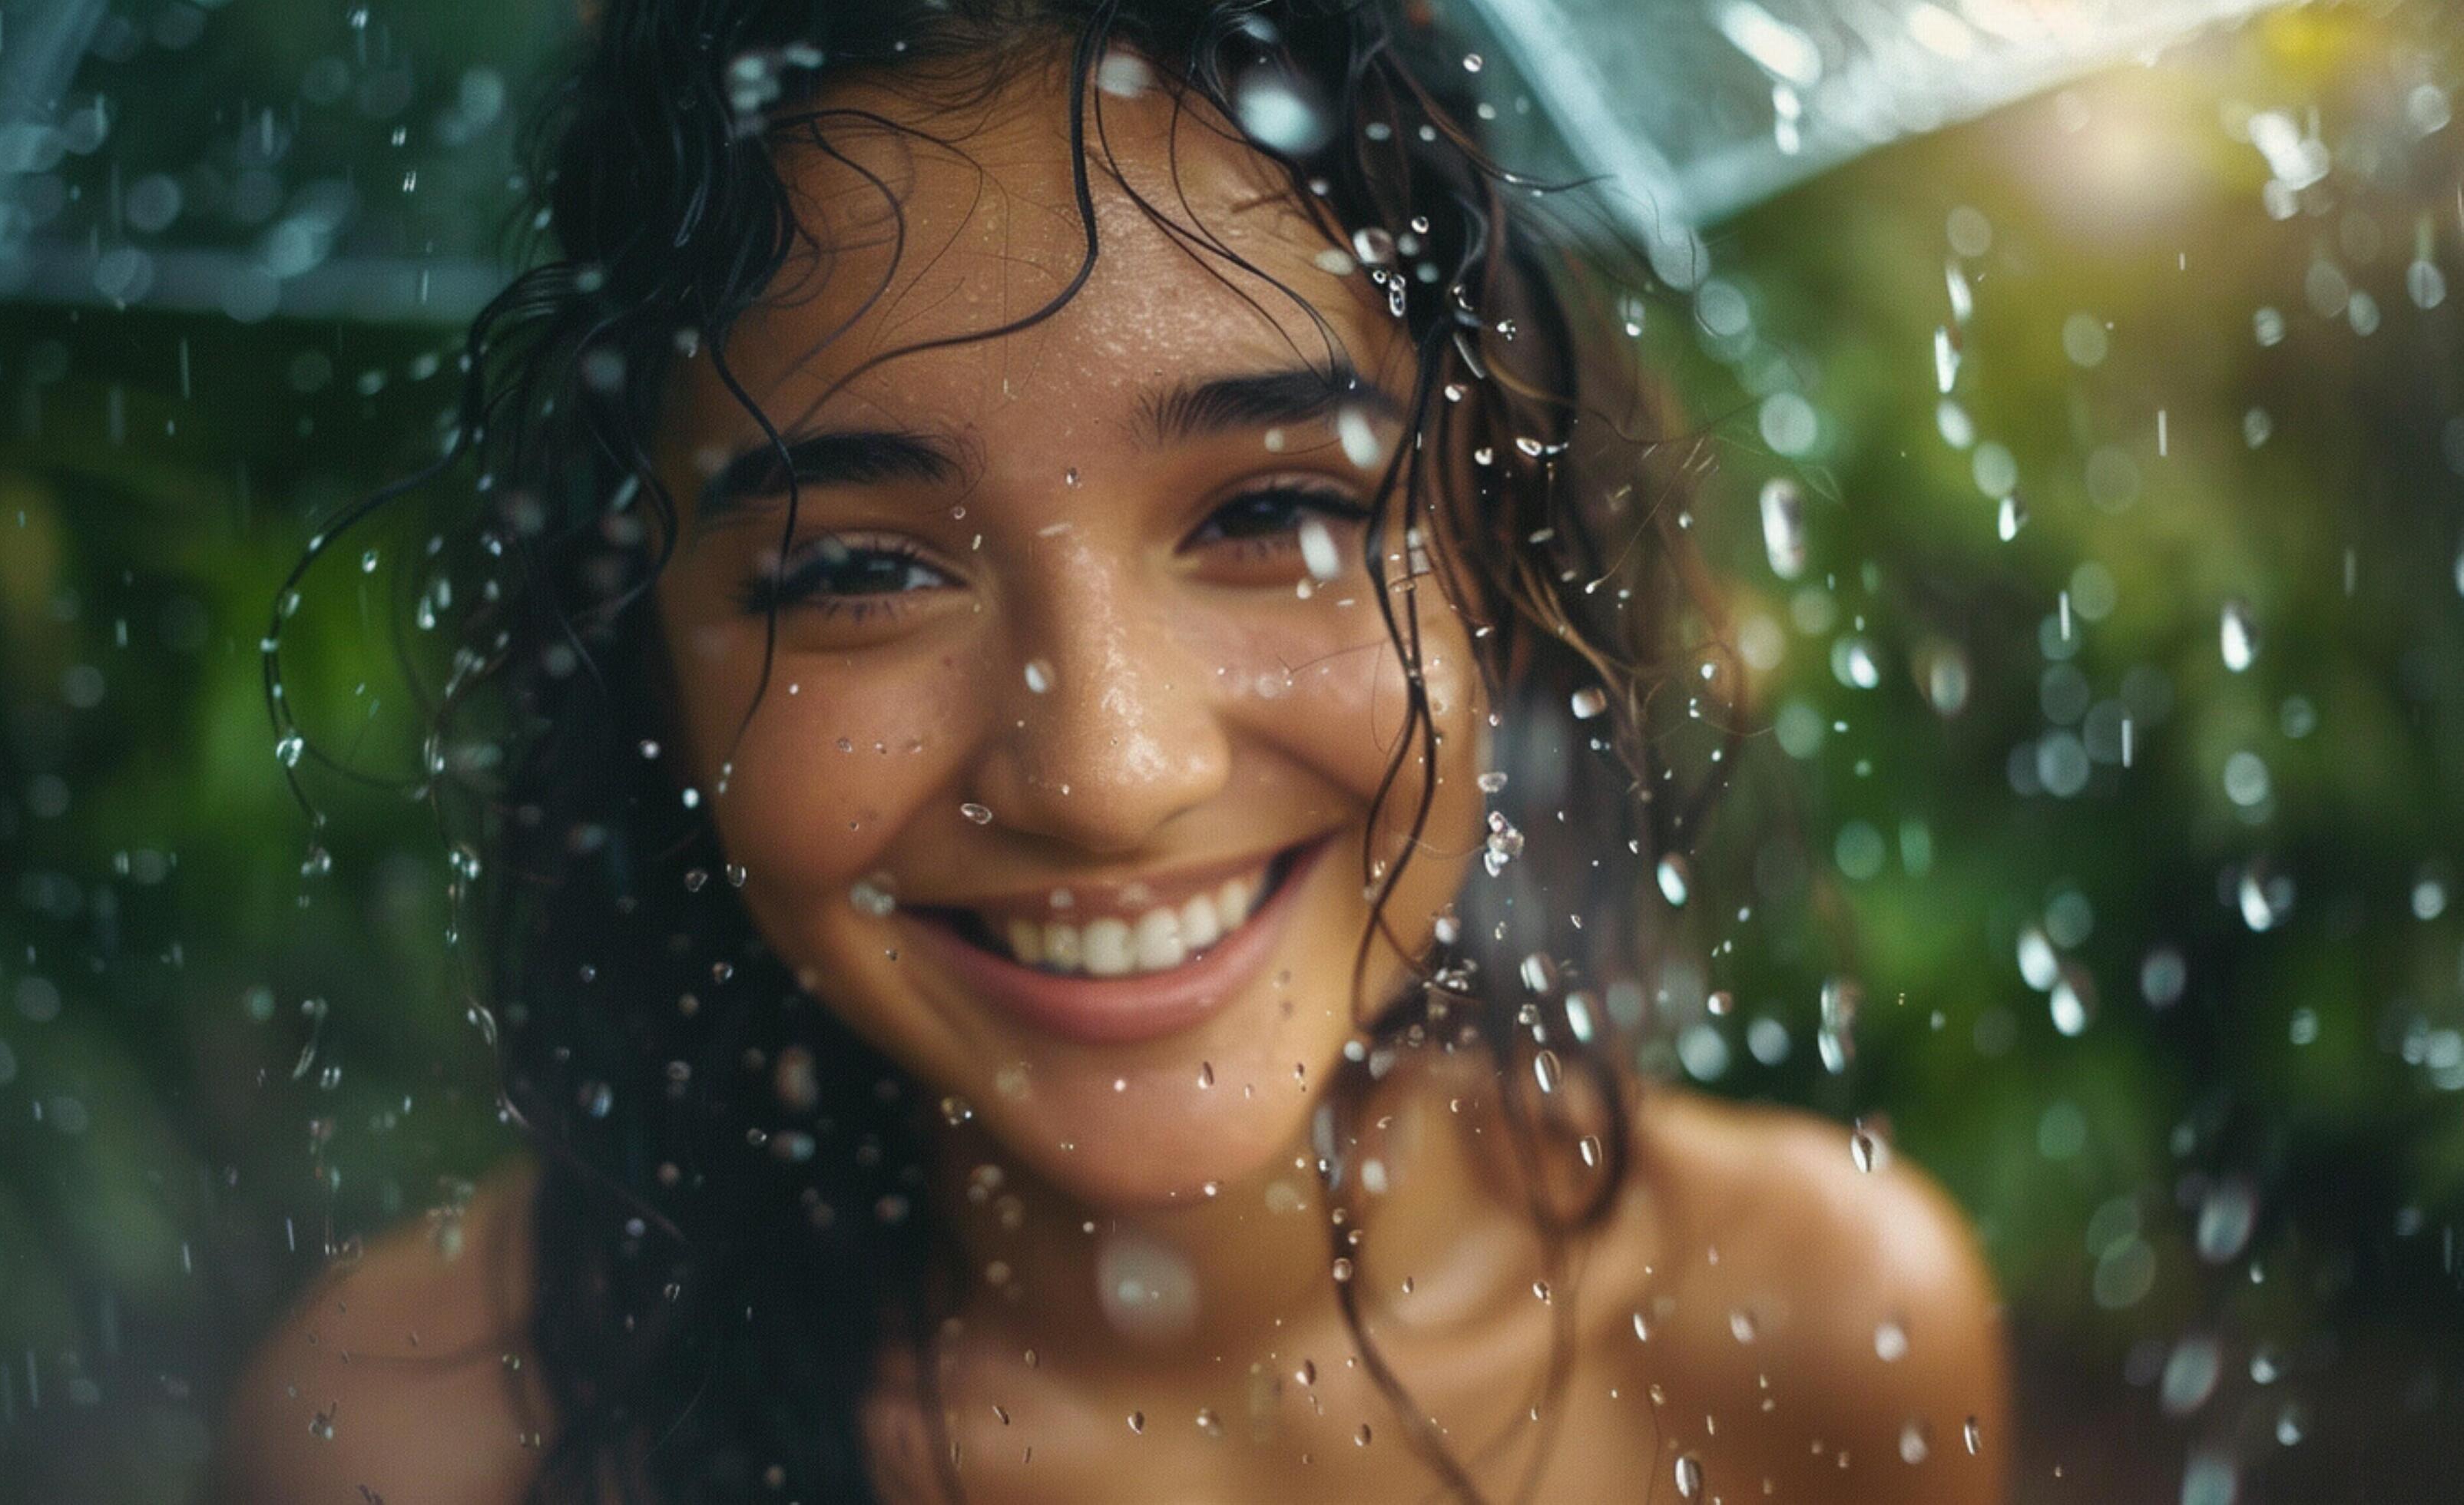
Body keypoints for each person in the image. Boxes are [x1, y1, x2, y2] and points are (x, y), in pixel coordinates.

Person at [220, 2, 2008, 1500]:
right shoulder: (418, 1437)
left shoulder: (1803, 1341)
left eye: (1273, 508)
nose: (1108, 769)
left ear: (1497, 552)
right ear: (645, 661)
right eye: (857, 569)